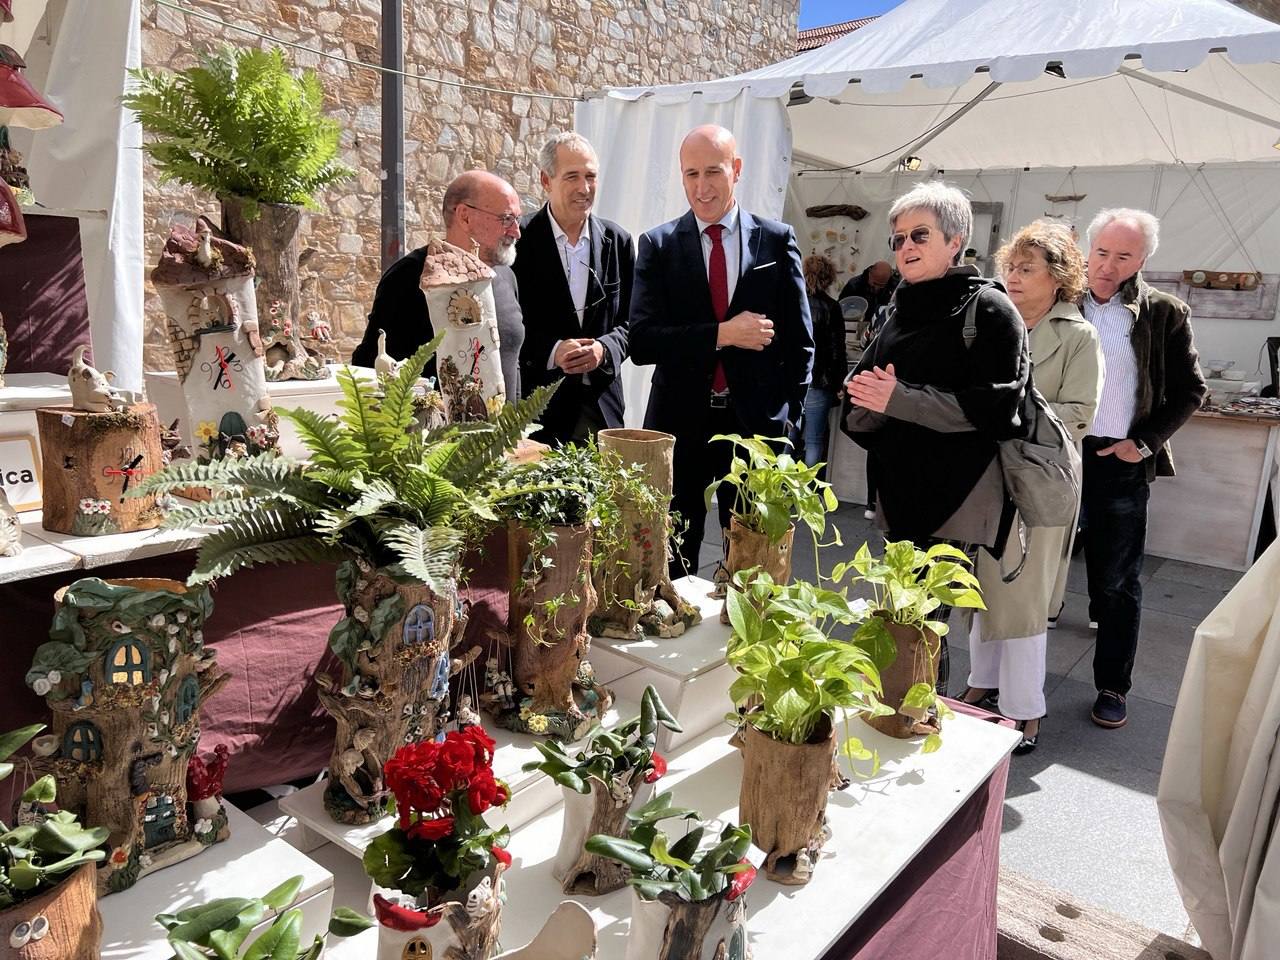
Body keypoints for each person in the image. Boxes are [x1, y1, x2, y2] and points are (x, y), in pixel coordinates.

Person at [841, 181, 1030, 695]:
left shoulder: (989, 310)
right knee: (899, 613)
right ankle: (897, 711)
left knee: (924, 619)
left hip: (957, 495)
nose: (905, 248)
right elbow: (865, 388)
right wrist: (867, 396)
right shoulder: (901, 307)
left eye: (919, 235)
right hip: (900, 489)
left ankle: (918, 719)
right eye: (898, 239)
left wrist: (898, 398)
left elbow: (994, 411)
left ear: (956, 239)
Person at [629, 124, 813, 576]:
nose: (701, 186)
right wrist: (722, 333)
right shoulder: (658, 245)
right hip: (680, 423)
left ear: (737, 169)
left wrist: (788, 418)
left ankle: (741, 644)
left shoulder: (775, 240)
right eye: (690, 174)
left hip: (754, 428)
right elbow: (642, 341)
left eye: (713, 171)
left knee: (752, 559)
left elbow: (800, 343)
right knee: (673, 551)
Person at [964, 221, 1103, 754]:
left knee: (1022, 594)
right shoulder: (993, 321)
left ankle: (1025, 711)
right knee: (981, 584)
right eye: (1011, 267)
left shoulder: (1077, 335)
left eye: (1028, 268)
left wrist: (1007, 413)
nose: (1014, 277)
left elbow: (1080, 414)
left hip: (1041, 480)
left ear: (1058, 276)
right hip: (986, 476)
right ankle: (983, 682)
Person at [1078, 208, 1205, 729]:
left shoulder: (1162, 312)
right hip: (1055, 454)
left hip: (1118, 459)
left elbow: (1192, 390)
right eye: (1101, 252)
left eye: (1123, 256)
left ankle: (1113, 684)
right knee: (1029, 571)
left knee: (1117, 579)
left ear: (1143, 259)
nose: (1108, 266)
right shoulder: (1058, 300)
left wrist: (1145, 443)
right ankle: (1009, 682)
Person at [352, 170, 526, 397]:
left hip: (506, 432)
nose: (516, 232)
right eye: (506, 219)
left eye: (517, 220)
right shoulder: (410, 276)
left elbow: (512, 362)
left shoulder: (506, 277)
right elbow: (372, 366)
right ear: (465, 216)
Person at [513, 132, 634, 444]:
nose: (584, 188)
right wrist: (553, 351)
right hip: (536, 411)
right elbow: (505, 326)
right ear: (545, 180)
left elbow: (634, 322)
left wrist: (604, 349)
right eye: (572, 177)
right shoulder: (518, 242)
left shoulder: (618, 241)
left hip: (603, 409)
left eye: (591, 176)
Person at [796, 253, 846, 472]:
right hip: (820, 381)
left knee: (787, 438)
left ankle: (778, 491)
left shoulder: (792, 302)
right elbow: (837, 350)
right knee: (814, 440)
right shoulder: (832, 307)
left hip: (793, 378)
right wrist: (839, 383)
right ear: (829, 278)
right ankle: (806, 494)